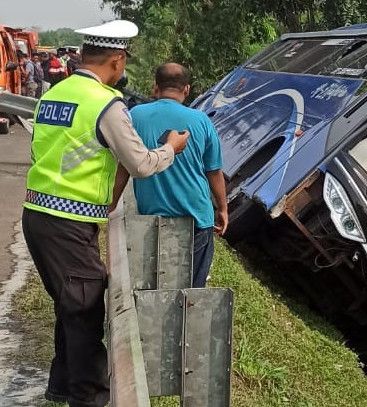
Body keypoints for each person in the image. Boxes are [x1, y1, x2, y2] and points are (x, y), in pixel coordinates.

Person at [22, 20, 189, 407]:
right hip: (67, 223)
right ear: (117, 60)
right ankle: (89, 397)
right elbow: (142, 164)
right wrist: (171, 148)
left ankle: (61, 385)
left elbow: (49, 153)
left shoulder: (55, 94)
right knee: (83, 309)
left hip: (38, 214)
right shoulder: (106, 104)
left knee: (68, 304)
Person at [128, 62, 227, 288]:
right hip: (196, 218)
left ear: (155, 88)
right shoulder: (201, 121)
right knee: (192, 288)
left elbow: (124, 165)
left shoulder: (134, 116)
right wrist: (222, 208)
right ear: (187, 89)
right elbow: (213, 171)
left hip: (151, 218)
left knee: (153, 286)